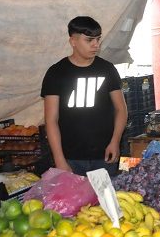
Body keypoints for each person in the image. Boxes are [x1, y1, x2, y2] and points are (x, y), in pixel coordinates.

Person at [41, 16, 128, 176]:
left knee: (105, 200)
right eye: (89, 40)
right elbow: (51, 120)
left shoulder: (107, 69)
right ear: (73, 41)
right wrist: (59, 159)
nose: (96, 44)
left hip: (105, 155)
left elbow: (121, 109)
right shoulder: (56, 73)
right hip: (70, 157)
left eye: (98, 39)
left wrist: (115, 141)